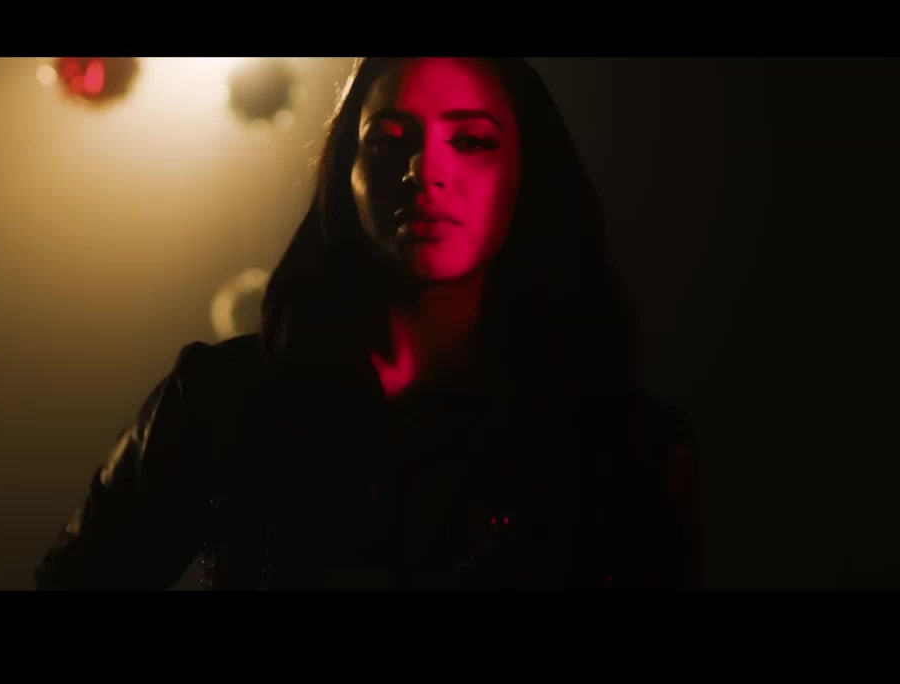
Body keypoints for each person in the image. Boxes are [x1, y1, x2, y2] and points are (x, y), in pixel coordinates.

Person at [35, 57, 702, 590]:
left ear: (527, 174)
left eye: (471, 140)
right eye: (388, 140)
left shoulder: (620, 450)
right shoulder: (217, 401)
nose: (424, 171)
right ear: (343, 175)